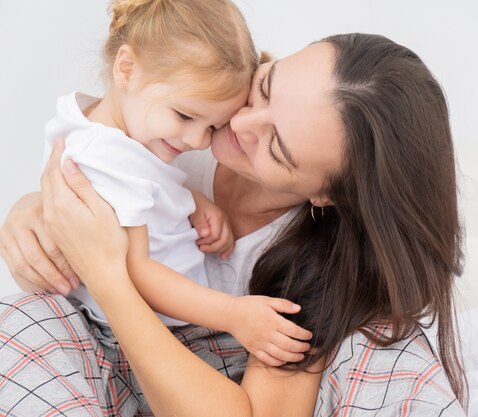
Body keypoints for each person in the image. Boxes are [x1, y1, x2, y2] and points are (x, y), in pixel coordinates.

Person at [0, 30, 467, 417]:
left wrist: (109, 279)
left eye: (275, 146)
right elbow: (88, 164)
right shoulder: (181, 115)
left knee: (389, 346)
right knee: (25, 318)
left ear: (325, 194)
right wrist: (33, 214)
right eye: (265, 86)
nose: (238, 124)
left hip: (205, 392)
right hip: (98, 371)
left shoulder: (323, 271)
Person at [41, 0, 313, 365]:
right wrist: (234, 313)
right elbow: (138, 272)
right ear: (127, 69)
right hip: (137, 332)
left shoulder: (115, 132)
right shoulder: (106, 158)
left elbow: (143, 190)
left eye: (213, 126)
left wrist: (193, 201)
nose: (199, 141)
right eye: (186, 115)